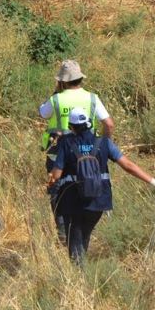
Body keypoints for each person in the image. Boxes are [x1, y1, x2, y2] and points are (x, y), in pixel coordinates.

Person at [48, 109, 155, 263]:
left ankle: (78, 280)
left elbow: (56, 175)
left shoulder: (66, 143)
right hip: (99, 201)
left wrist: (51, 181)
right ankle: (81, 270)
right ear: (89, 124)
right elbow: (128, 166)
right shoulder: (104, 143)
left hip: (73, 202)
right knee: (83, 236)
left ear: (71, 126)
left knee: (74, 242)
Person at [39, 59, 115, 241]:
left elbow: (42, 113)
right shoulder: (92, 98)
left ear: (62, 80)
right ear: (80, 78)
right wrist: (104, 145)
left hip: (57, 152)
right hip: (87, 154)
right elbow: (109, 124)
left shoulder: (56, 99)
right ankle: (82, 229)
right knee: (85, 185)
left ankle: (63, 232)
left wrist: (56, 91)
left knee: (57, 190)